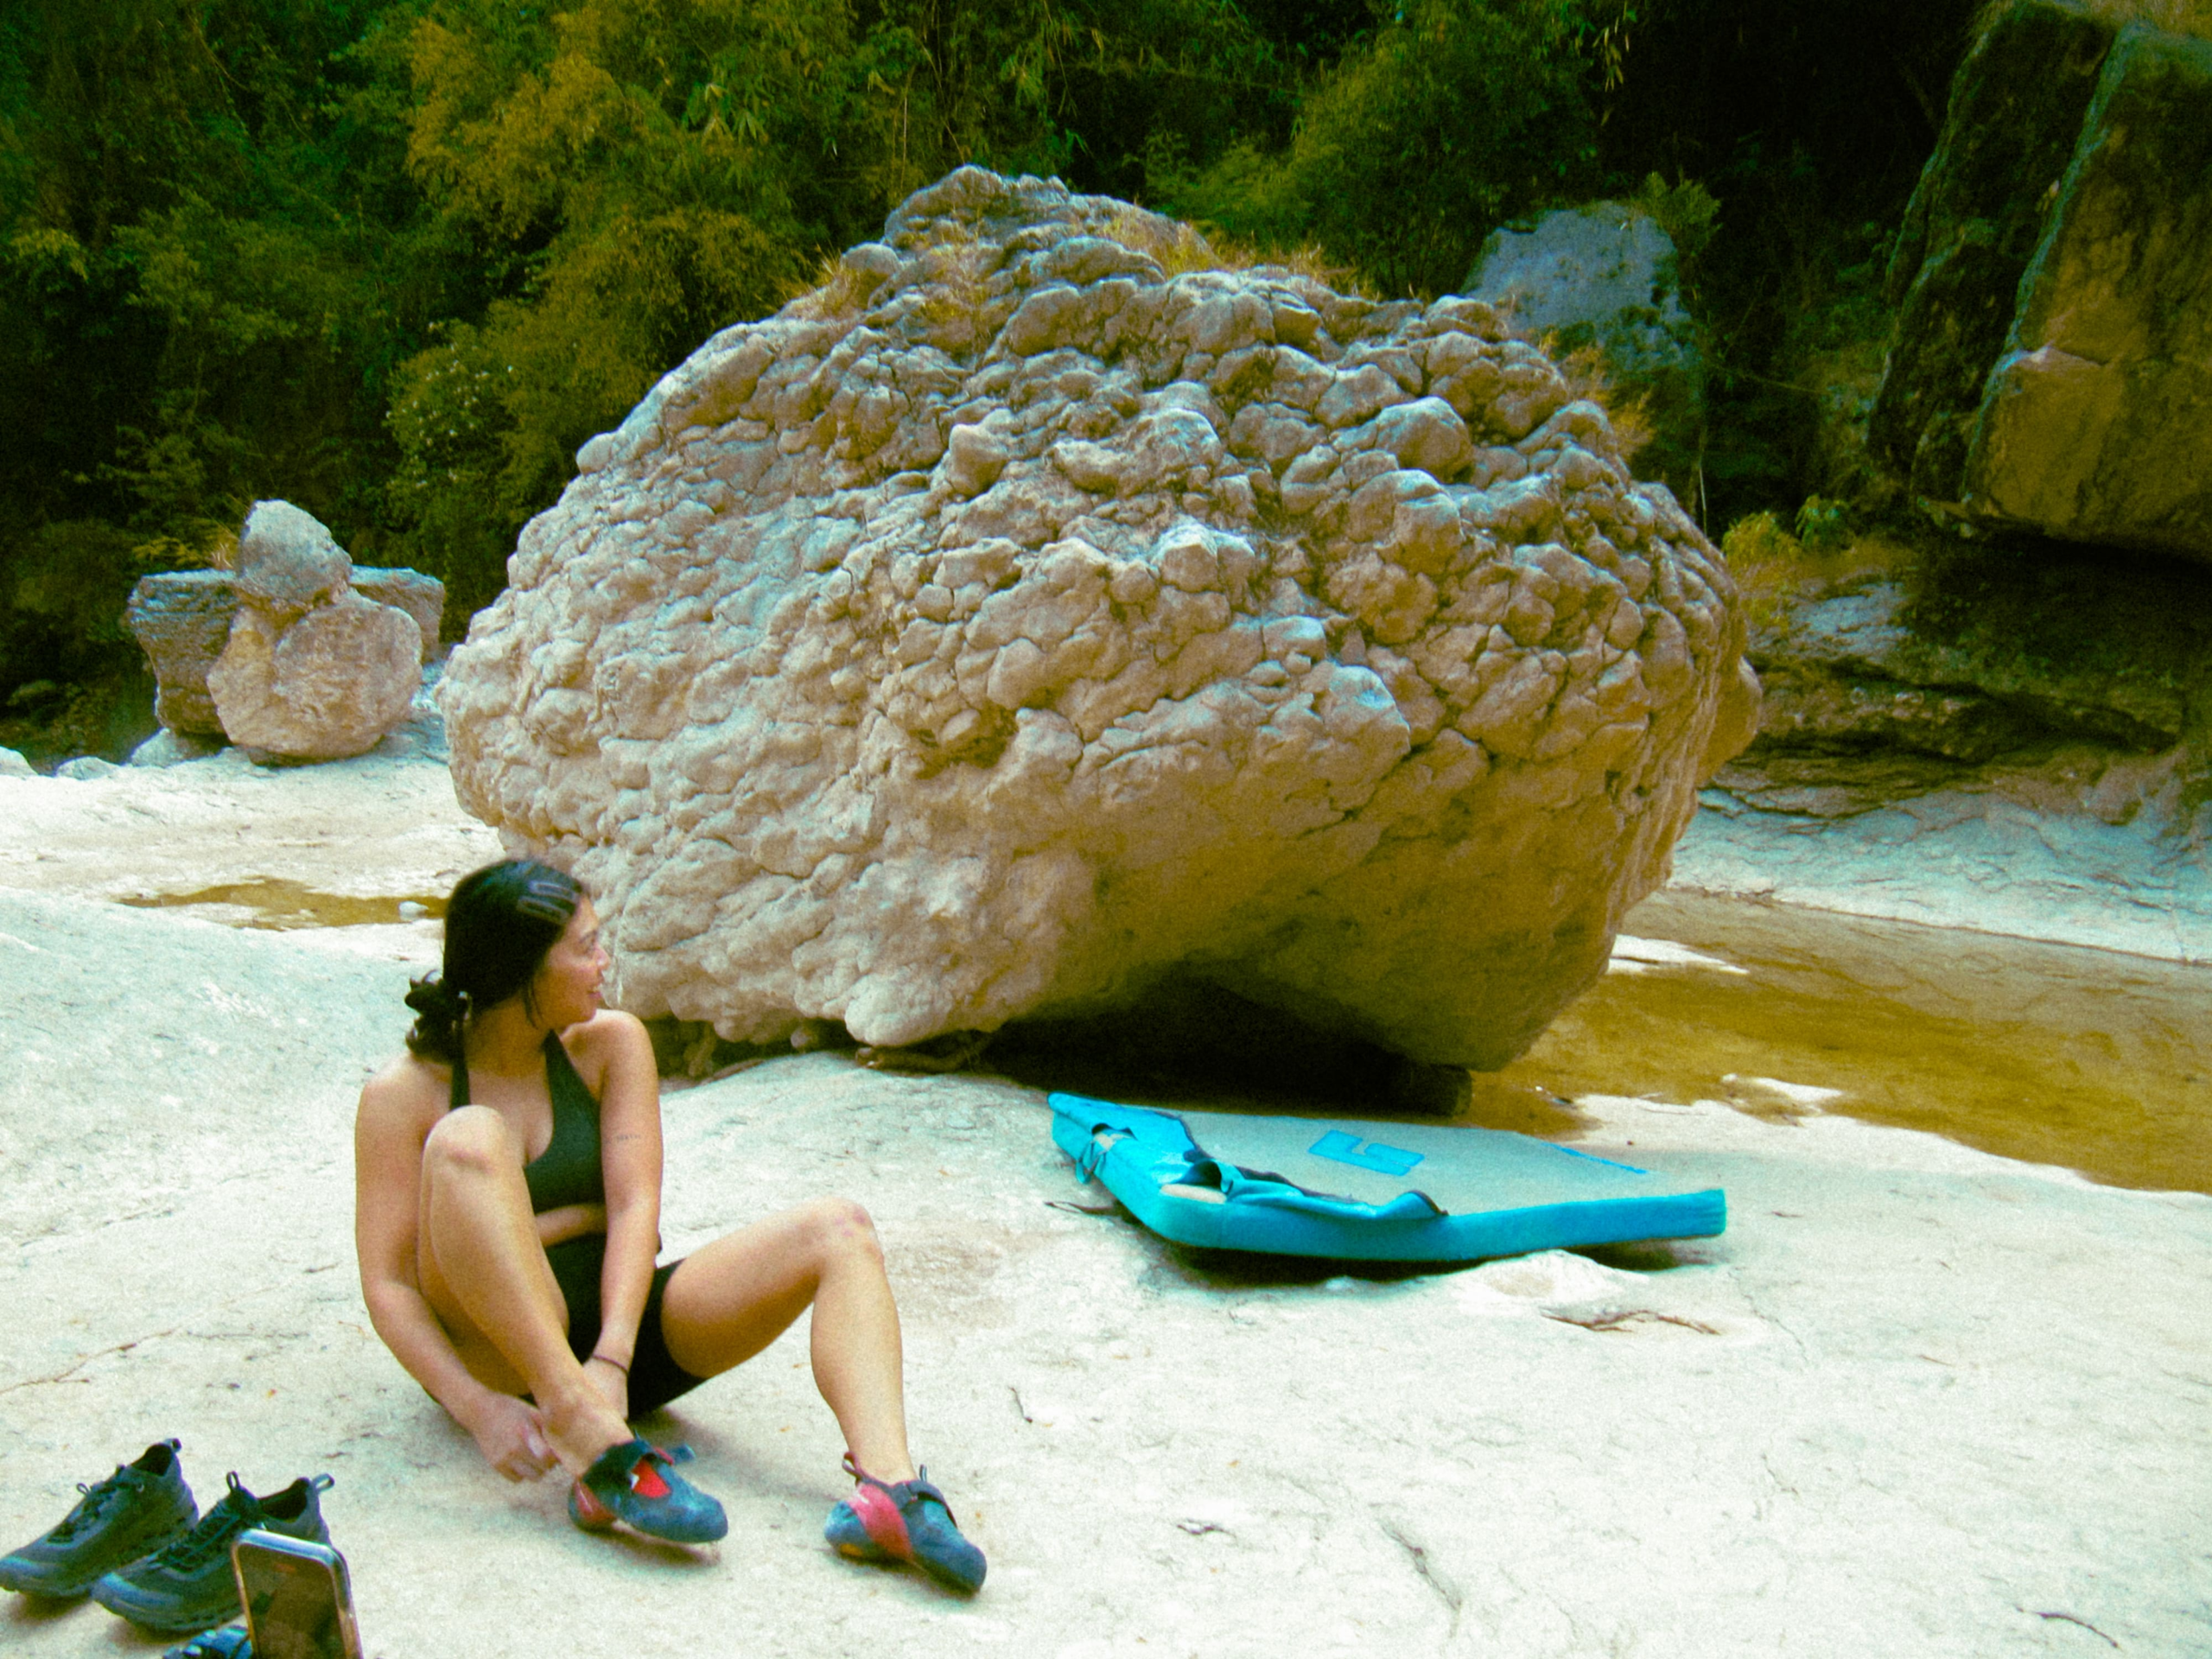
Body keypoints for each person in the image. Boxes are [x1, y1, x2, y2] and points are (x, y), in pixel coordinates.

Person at [353, 858, 983, 1591]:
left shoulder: (611, 1044)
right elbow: (391, 1284)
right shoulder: (403, 1094)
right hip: (499, 1353)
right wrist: (477, 1410)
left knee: (838, 1230)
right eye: (585, 947)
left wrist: (614, 1362)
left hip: (616, 1341)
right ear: (521, 968)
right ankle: (583, 1429)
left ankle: (890, 1492)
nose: (603, 962)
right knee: (467, 1139)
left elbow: (633, 1212)